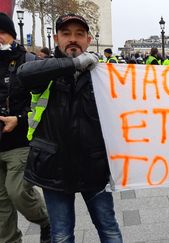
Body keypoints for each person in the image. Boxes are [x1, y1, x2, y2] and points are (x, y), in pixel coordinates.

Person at [17, 13, 123, 242]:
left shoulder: (103, 74)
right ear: (56, 38)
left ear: (89, 39)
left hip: (94, 166)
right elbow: (23, 75)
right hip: (54, 167)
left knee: (109, 229)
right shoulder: (44, 70)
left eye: (79, 34)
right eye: (66, 34)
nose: (72, 39)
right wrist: (72, 64)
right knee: (62, 234)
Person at [0, 12, 51, 243]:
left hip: (19, 141)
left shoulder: (28, 62)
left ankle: (46, 220)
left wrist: (18, 119)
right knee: (1, 205)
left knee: (17, 192)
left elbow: (44, 104)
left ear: (7, 34)